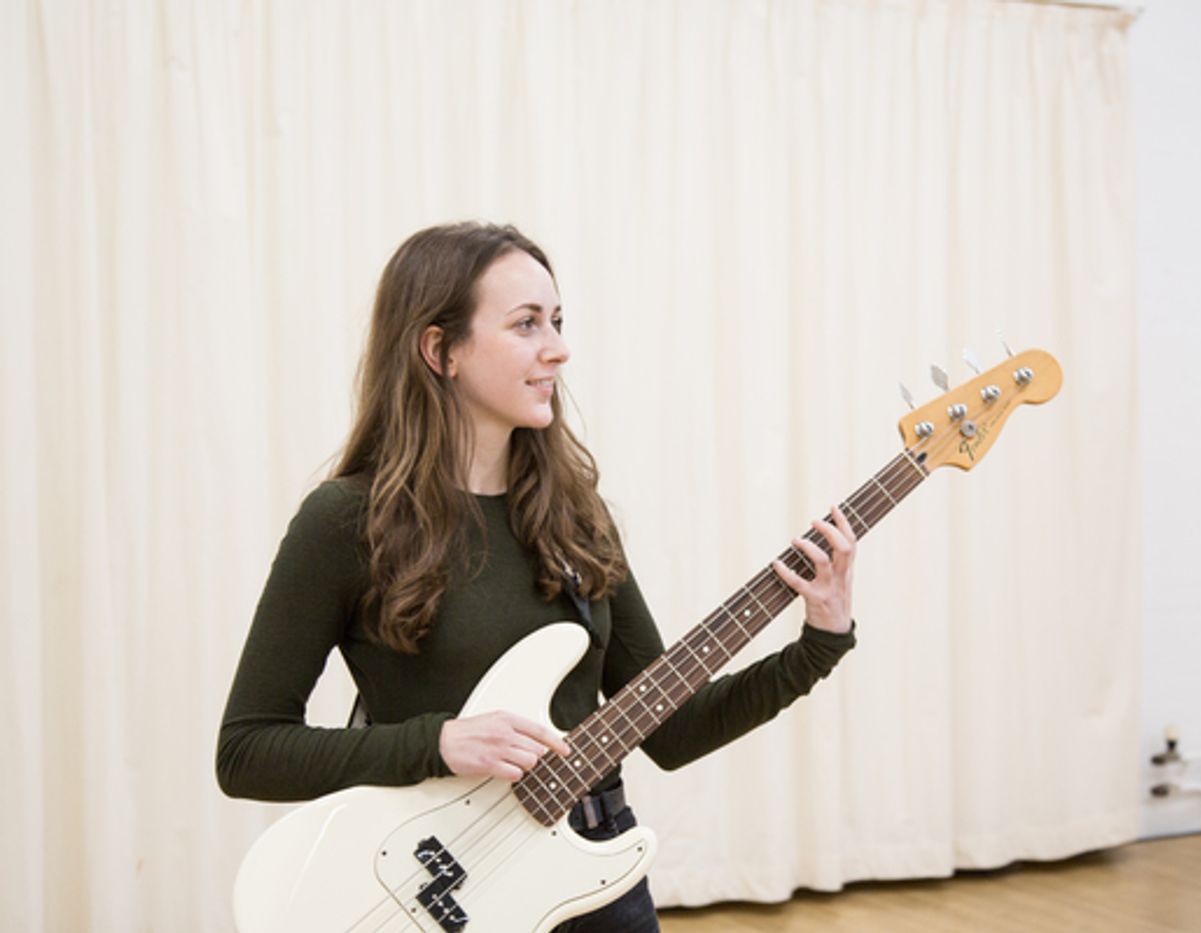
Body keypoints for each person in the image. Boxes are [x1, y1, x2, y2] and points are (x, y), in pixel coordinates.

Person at [216, 221, 858, 932]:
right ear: (440, 349)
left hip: (598, 882)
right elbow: (247, 750)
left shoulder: (575, 518)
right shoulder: (346, 521)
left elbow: (670, 731)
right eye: (526, 324)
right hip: (446, 896)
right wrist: (438, 741)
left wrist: (819, 643)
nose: (558, 346)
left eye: (556, 320)